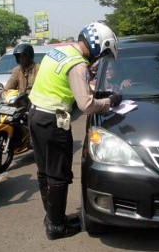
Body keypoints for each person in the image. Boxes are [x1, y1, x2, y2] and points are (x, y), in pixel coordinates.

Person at [28, 21, 122, 240]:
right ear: (98, 46)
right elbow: (86, 106)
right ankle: (57, 228)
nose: (99, 58)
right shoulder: (78, 65)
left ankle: (52, 218)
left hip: (35, 115)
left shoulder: (59, 51)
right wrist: (110, 101)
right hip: (53, 121)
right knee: (59, 175)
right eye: (103, 53)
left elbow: (65, 83)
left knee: (44, 172)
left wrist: (95, 92)